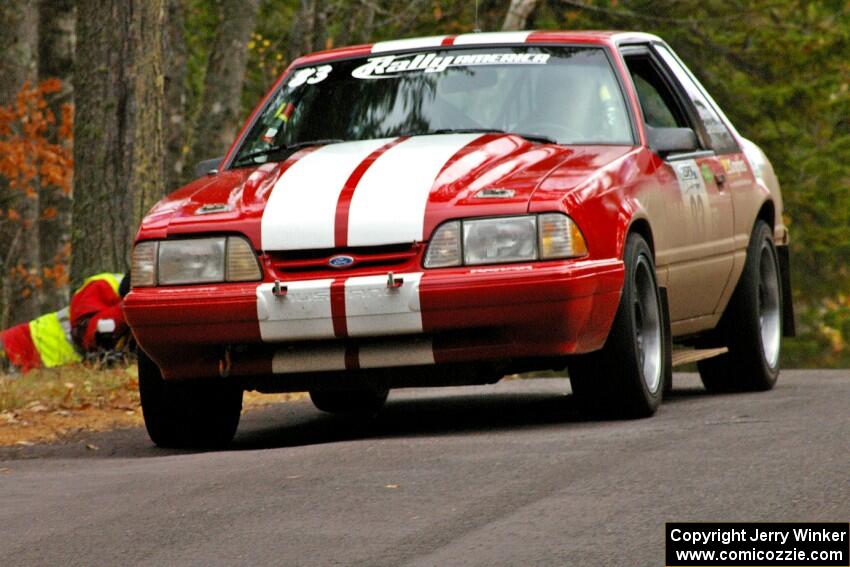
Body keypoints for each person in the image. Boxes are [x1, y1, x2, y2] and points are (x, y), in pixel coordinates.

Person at [0, 272, 130, 375]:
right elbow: (86, 334)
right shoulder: (104, 284)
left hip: (52, 372)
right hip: (20, 348)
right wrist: (128, 308)